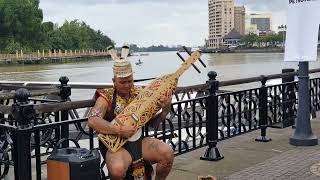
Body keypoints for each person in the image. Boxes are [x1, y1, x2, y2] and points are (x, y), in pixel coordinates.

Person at [88, 45, 174, 180]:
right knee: (117, 170)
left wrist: (165, 111)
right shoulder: (107, 96)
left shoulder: (140, 94)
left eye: (130, 81)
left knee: (167, 153)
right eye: (122, 82)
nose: (127, 85)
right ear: (114, 81)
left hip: (139, 141)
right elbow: (93, 120)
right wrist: (120, 130)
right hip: (117, 146)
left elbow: (152, 124)